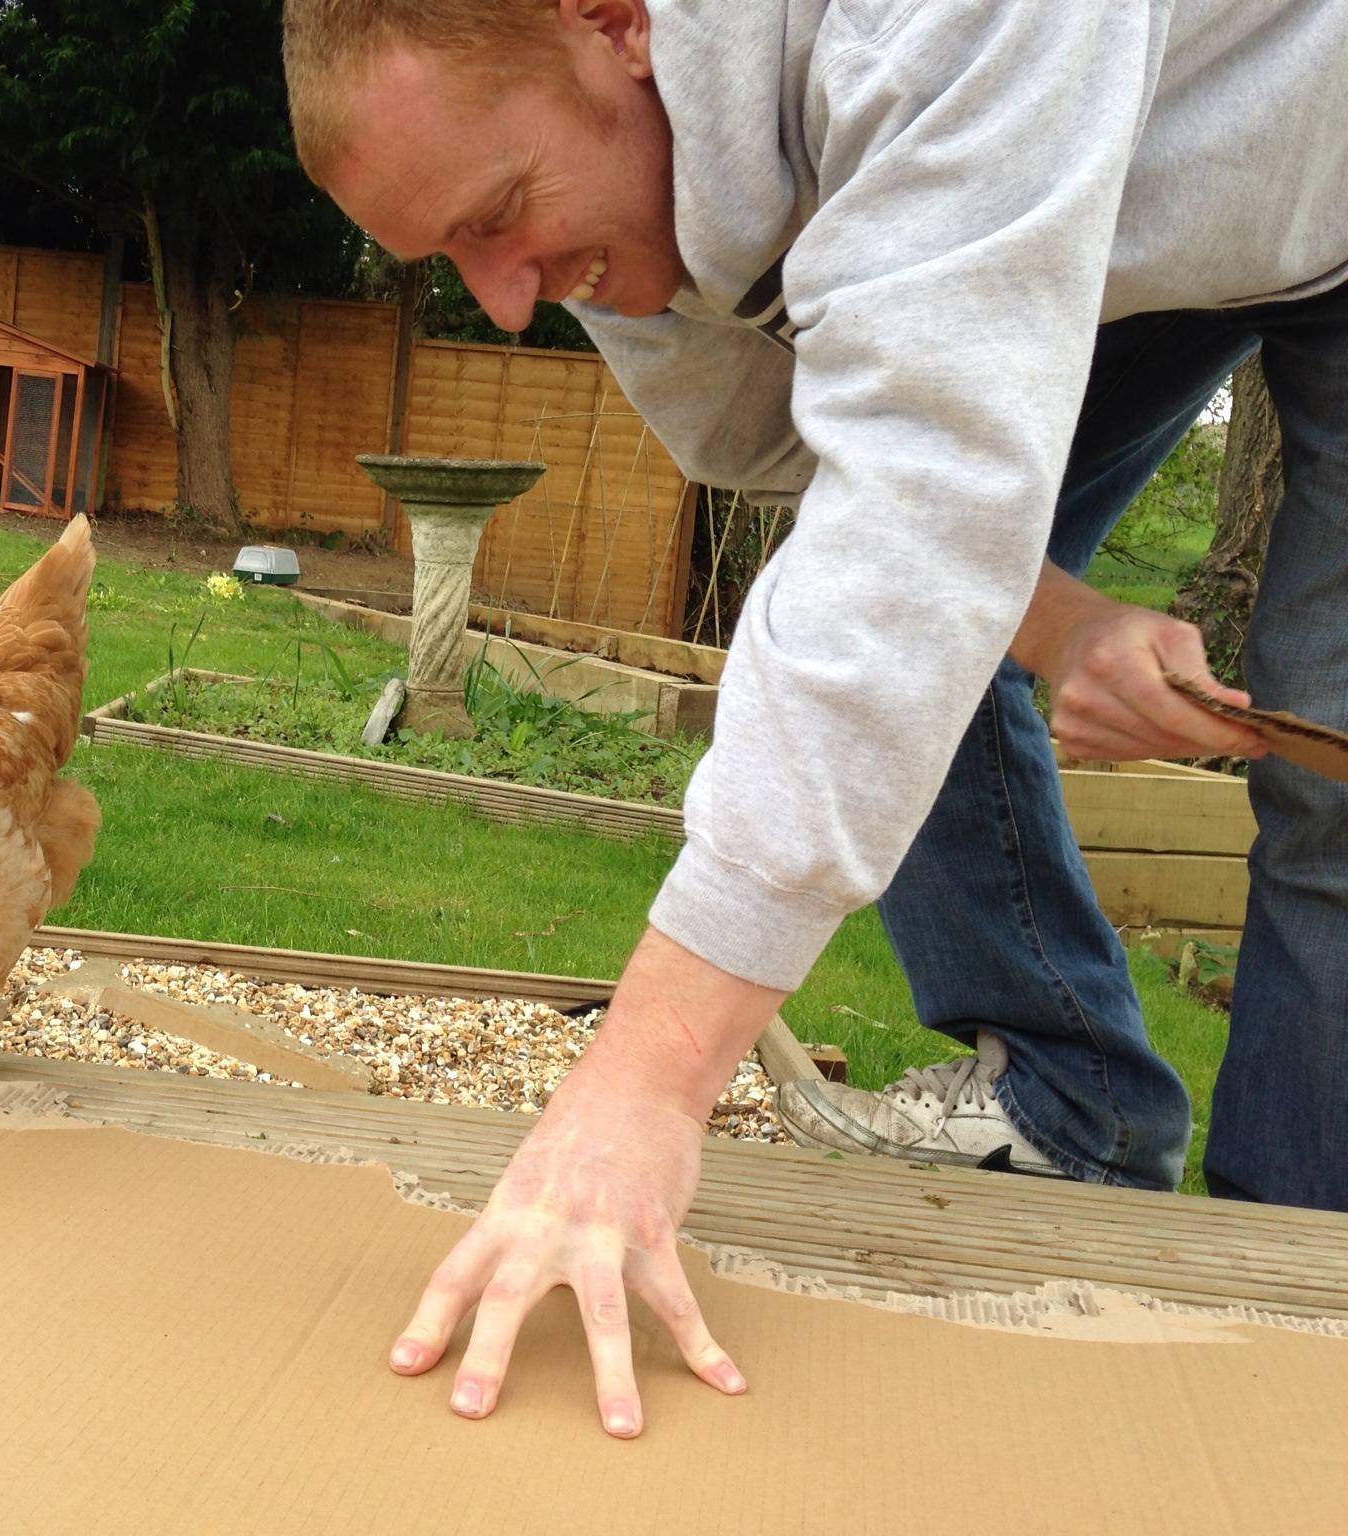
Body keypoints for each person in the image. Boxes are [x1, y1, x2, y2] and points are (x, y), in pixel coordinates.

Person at [281, 0, 1348, 1438]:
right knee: (891, 616)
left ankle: (1289, 1301)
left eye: (502, 214)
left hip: (1322, 173)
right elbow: (814, 470)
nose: (512, 300)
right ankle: (1073, 1107)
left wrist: (646, 1081)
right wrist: (1064, 624)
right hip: (1118, 210)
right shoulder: (610, 193)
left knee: (1333, 775)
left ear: (614, 24)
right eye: (452, 257)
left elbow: (922, 510)